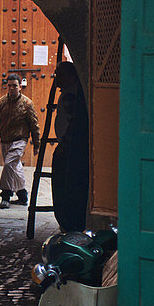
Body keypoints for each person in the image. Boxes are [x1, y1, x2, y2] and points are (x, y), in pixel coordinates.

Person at [0, 73, 40, 209]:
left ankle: (5, 195)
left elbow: (34, 124)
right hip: (5, 141)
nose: (12, 88)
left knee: (9, 164)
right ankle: (22, 195)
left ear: (20, 87)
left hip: (20, 140)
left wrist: (37, 144)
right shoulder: (1, 102)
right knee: (15, 167)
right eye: (9, 86)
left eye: (15, 86)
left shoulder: (27, 104)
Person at [50, 61, 89, 231]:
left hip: (69, 149)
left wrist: (65, 145)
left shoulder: (71, 96)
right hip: (68, 147)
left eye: (60, 75)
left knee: (64, 188)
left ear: (71, 77)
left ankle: (68, 222)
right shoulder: (71, 94)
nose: (57, 79)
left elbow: (72, 124)